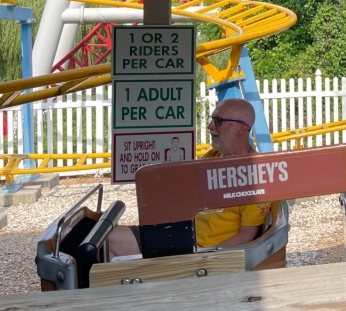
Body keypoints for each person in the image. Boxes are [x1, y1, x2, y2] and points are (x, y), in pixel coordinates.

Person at [108, 98, 274, 257]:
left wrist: (205, 258)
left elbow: (246, 237)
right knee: (103, 240)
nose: (210, 126)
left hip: (196, 249)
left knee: (110, 239)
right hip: (181, 233)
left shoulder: (255, 175)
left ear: (242, 128)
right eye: (212, 119)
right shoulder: (214, 156)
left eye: (218, 121)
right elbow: (185, 191)